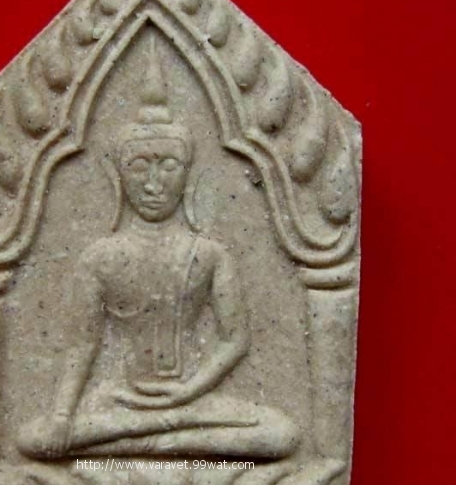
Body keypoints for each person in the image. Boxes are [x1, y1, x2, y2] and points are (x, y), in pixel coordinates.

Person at [19, 43, 298, 460]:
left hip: (193, 403)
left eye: (167, 167)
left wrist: (189, 391)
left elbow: (235, 339)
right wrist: (62, 416)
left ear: (188, 176)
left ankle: (144, 443)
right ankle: (160, 441)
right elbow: (82, 346)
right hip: (120, 401)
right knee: (33, 438)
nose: (153, 184)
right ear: (119, 177)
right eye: (139, 167)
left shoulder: (209, 254)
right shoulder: (99, 258)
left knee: (282, 434)